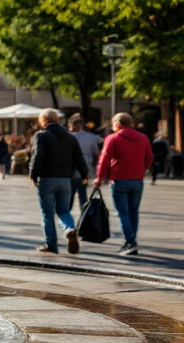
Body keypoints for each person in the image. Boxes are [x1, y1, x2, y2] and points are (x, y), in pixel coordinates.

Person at [29, 109, 88, 255]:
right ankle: (69, 229)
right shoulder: (70, 137)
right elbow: (79, 157)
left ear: (44, 120)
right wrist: (84, 174)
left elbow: (38, 156)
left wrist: (33, 175)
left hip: (47, 179)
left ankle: (51, 244)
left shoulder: (42, 136)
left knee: (47, 213)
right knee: (64, 210)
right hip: (65, 179)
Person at [96, 112, 154, 256]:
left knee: (123, 212)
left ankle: (130, 242)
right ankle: (131, 240)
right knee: (133, 212)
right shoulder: (143, 138)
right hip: (137, 180)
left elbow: (104, 159)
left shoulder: (112, 139)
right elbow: (149, 158)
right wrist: (142, 170)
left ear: (117, 124)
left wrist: (99, 178)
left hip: (119, 179)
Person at [68, 116, 101, 212]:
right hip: (86, 167)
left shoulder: (68, 137)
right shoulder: (91, 137)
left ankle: (66, 216)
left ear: (74, 126)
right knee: (83, 193)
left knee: (70, 194)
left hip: (71, 168)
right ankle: (84, 213)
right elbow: (96, 152)